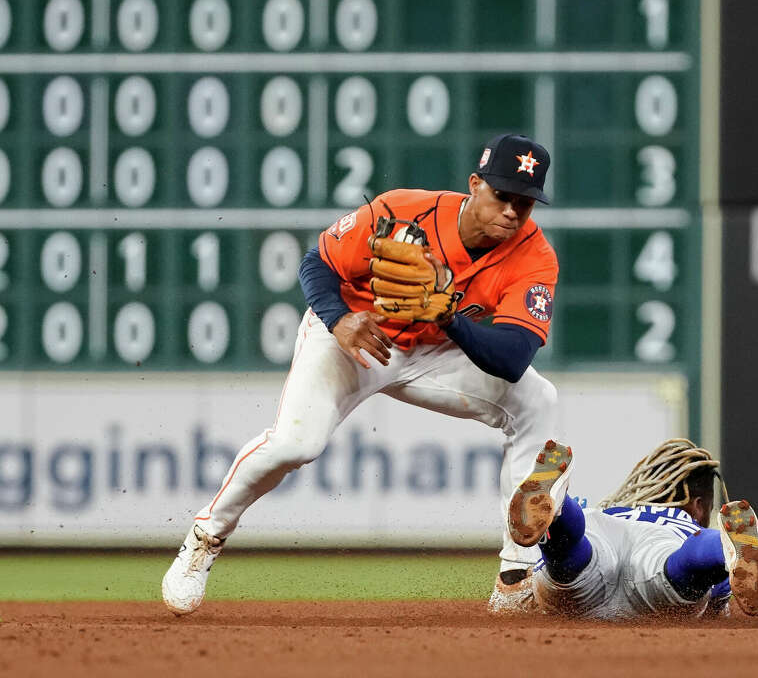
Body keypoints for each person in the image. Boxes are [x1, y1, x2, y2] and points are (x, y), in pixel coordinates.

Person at [162, 134, 561, 615]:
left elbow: (515, 357)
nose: (512, 212)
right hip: (355, 335)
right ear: (475, 185)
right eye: (502, 196)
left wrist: (450, 318)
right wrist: (338, 319)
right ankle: (206, 536)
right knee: (296, 444)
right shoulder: (404, 210)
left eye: (525, 203)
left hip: (435, 350)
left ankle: (515, 576)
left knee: (538, 401)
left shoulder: (535, 257)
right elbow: (317, 263)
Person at [504, 438, 758, 619]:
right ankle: (724, 547)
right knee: (684, 567)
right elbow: (716, 593)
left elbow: (519, 594)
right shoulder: (679, 521)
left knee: (567, 555)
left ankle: (562, 507)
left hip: (603, 528)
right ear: (697, 506)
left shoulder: (615, 508)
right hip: (661, 545)